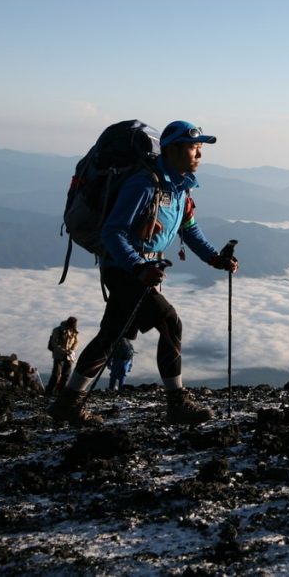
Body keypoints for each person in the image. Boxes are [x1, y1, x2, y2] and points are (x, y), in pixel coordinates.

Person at [49, 121, 239, 427]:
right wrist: (138, 267)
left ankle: (68, 403)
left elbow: (188, 229)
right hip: (127, 270)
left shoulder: (179, 188)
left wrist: (216, 259)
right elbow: (113, 232)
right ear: (172, 149)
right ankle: (176, 404)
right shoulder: (145, 184)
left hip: (141, 270)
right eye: (194, 147)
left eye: (201, 148)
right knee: (170, 322)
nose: (199, 154)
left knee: (111, 335)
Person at [46, 317, 79, 394]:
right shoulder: (57, 330)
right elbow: (54, 344)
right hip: (58, 355)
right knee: (56, 374)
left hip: (69, 356)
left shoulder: (74, 331)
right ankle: (49, 391)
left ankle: (61, 391)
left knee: (66, 374)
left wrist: (72, 350)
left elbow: (76, 341)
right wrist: (64, 351)